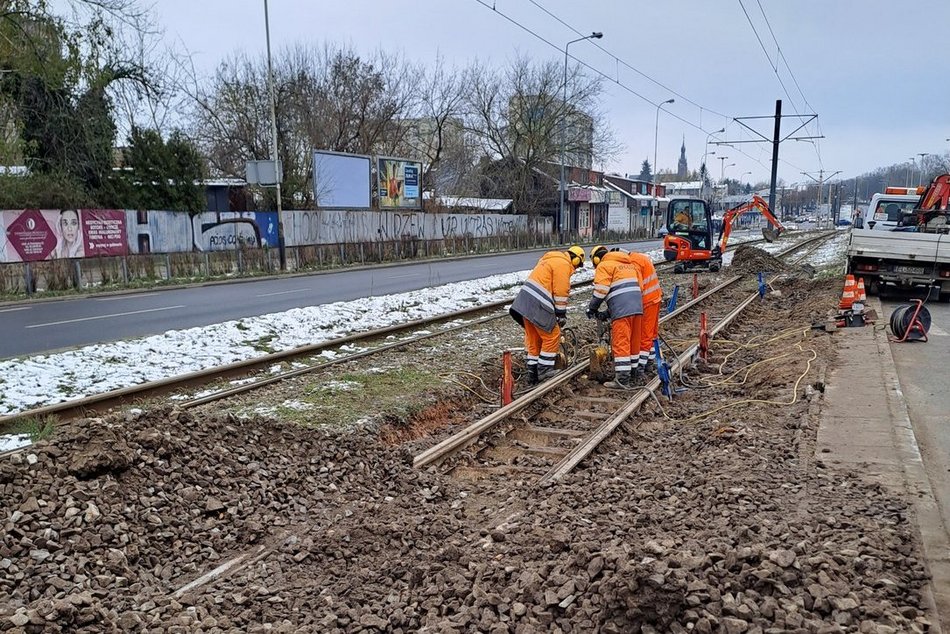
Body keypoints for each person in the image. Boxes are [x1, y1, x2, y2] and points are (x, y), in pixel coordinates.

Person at [509, 245, 586, 384]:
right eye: (577, 265)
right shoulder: (563, 264)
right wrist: (561, 314)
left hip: (523, 303)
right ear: (575, 260)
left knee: (534, 339)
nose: (575, 269)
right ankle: (544, 370)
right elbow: (561, 291)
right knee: (552, 335)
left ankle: (532, 375)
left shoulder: (549, 259)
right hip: (538, 304)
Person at [586, 245, 643, 389]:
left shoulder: (604, 265)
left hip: (622, 311)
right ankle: (634, 373)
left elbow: (601, 290)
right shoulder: (628, 265)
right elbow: (627, 291)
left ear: (597, 259)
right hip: (637, 307)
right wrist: (608, 312)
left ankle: (622, 380)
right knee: (634, 341)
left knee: (621, 342)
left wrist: (592, 308)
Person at [627, 249, 663, 374]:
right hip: (655, 298)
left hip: (647, 302)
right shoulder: (639, 257)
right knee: (651, 334)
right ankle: (649, 362)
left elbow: (638, 286)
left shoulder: (633, 263)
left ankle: (640, 367)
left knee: (644, 335)